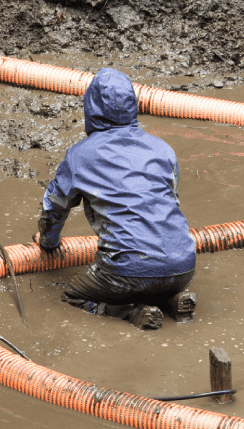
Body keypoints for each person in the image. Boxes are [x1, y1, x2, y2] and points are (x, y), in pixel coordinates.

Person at [32, 68, 197, 331]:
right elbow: (170, 204)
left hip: (125, 273)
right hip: (184, 267)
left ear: (91, 106)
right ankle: (173, 300)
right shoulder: (163, 149)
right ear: (133, 104)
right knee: (151, 276)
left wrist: (48, 243)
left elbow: (54, 208)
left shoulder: (79, 156)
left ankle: (129, 312)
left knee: (71, 295)